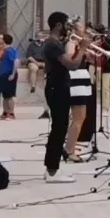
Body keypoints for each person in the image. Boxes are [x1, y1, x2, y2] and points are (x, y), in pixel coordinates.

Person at [42, 12, 84, 183]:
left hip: (58, 87)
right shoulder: (52, 44)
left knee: (59, 127)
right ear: (58, 25)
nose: (68, 28)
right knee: (59, 128)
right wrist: (83, 48)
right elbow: (72, 65)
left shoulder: (55, 43)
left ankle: (51, 167)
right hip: (57, 88)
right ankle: (52, 171)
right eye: (66, 24)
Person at [64, 19, 95, 161]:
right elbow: (71, 60)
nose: (85, 30)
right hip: (76, 81)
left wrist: (87, 52)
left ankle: (71, 146)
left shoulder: (78, 44)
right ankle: (69, 150)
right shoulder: (71, 43)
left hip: (82, 80)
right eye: (82, 28)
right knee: (78, 117)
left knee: (81, 117)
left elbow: (89, 60)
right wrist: (82, 50)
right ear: (75, 30)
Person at [0, 34, 18, 120]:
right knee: (4, 95)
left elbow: (16, 61)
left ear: (4, 40)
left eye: (1, 38)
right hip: (2, 74)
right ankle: (5, 112)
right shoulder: (4, 50)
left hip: (9, 74)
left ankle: (11, 113)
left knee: (10, 95)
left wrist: (13, 74)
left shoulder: (10, 50)